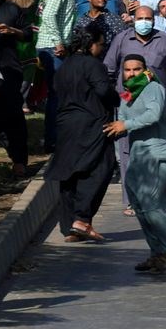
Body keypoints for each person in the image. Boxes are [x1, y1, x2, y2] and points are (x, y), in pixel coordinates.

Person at [111, 54, 166, 274]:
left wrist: (125, 125)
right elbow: (122, 121)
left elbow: (154, 115)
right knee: (138, 206)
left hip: (158, 154)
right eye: (127, 70)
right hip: (138, 155)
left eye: (136, 69)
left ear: (145, 70)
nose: (131, 74)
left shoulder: (152, 88)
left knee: (151, 205)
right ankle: (157, 253)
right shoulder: (128, 94)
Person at [43, 28, 118, 244]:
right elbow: (104, 91)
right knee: (99, 168)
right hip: (91, 123)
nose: (102, 49)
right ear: (91, 44)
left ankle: (70, 227)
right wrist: (117, 97)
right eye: (101, 44)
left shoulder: (64, 66)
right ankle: (82, 219)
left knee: (70, 173)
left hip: (66, 125)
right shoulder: (93, 65)